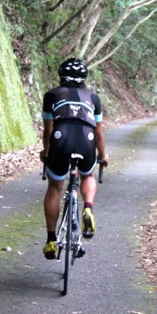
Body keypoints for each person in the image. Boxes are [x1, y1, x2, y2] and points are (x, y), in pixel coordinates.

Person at [40, 57, 109, 259]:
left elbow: (47, 131)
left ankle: (52, 240)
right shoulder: (93, 98)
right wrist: (103, 155)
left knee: (55, 186)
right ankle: (87, 208)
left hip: (61, 139)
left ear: (60, 76)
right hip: (86, 141)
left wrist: (46, 151)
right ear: (84, 78)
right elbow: (99, 134)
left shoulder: (51, 95)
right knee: (87, 175)